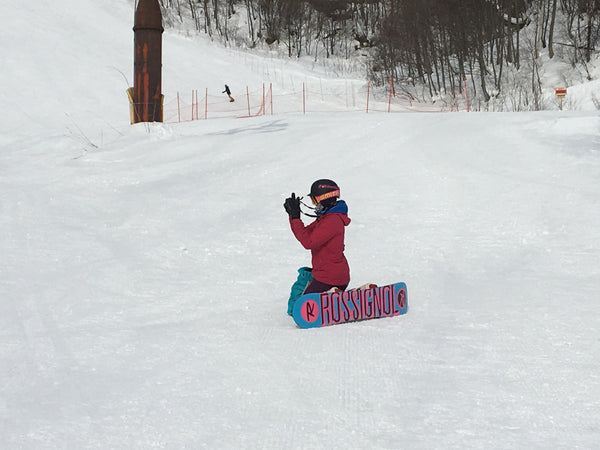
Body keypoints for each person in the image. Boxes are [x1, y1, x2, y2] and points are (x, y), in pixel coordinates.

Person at [284, 179, 351, 299]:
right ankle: (333, 294)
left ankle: (331, 294)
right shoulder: (325, 218)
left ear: (325, 198)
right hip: (328, 275)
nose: (315, 204)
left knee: (301, 306)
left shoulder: (332, 221)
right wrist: (293, 216)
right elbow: (304, 233)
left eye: (315, 200)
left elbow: (308, 242)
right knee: (299, 300)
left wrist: (295, 218)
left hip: (329, 277)